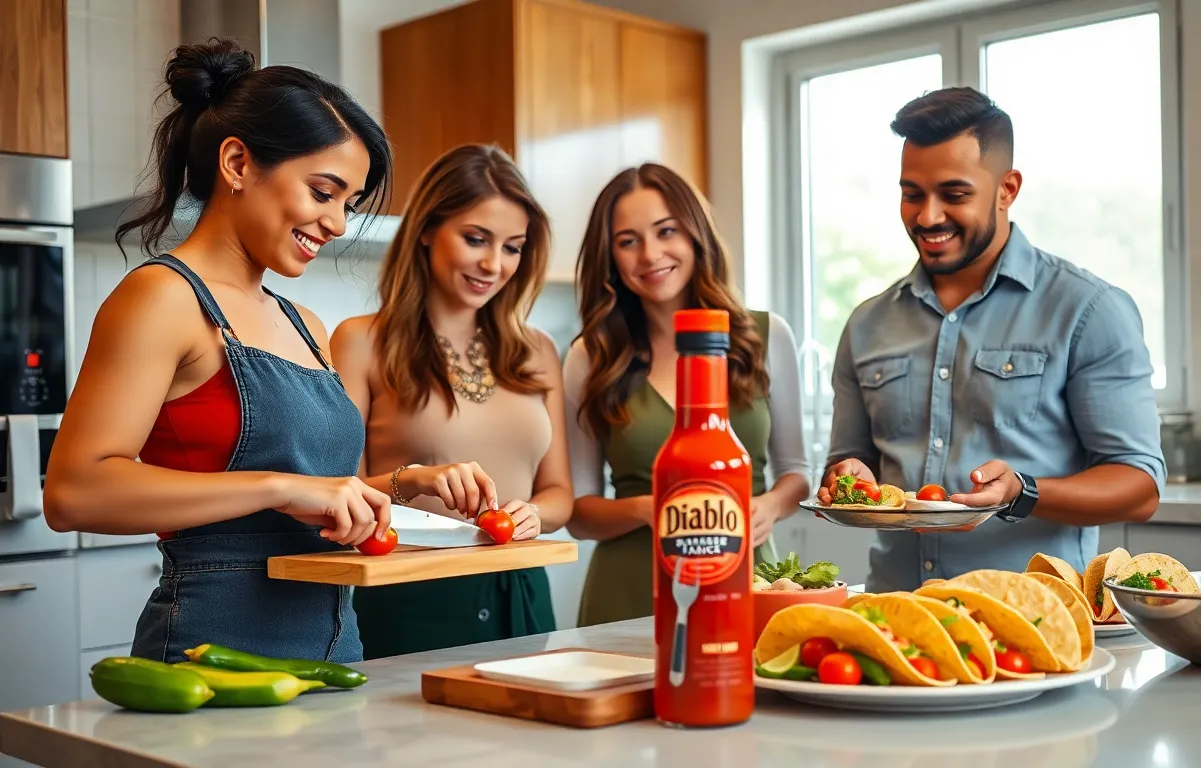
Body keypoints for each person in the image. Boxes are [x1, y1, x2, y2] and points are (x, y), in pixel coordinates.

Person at [42, 37, 395, 664]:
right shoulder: (162, 298)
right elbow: (74, 491)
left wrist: (398, 488)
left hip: (336, 652)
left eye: (349, 203)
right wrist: (278, 488)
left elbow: (304, 499)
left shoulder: (304, 322)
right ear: (237, 163)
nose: (338, 224)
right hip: (213, 654)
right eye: (323, 192)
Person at [817, 86, 1166, 593]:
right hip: (895, 617)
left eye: (954, 195)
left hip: (1036, 626)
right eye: (911, 193)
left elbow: (1140, 488)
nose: (927, 216)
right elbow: (849, 461)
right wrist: (846, 477)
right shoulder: (867, 323)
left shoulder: (1088, 309)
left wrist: (1023, 492)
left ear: (1007, 189)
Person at [331, 144, 571, 658]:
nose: (494, 263)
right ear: (425, 230)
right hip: (410, 593)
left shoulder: (539, 351)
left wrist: (532, 513)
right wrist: (413, 479)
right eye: (475, 238)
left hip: (523, 590)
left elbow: (559, 493)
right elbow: (341, 495)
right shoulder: (360, 341)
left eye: (513, 247)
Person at [563, 163, 810, 628]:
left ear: (696, 234)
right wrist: (647, 507)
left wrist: (769, 507)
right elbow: (579, 511)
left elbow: (797, 473)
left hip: (746, 578)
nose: (650, 254)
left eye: (666, 231)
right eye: (627, 241)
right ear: (610, 256)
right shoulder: (590, 356)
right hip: (629, 593)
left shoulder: (765, 334)